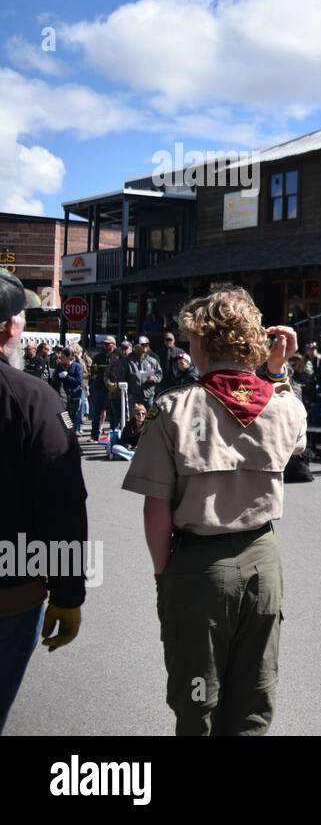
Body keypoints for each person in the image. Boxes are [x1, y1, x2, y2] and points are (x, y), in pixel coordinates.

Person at [122, 288, 306, 735]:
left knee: (197, 700)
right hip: (263, 560)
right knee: (254, 697)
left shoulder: (173, 408)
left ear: (203, 342)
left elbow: (156, 509)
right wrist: (277, 372)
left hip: (199, 564)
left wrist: (166, 575)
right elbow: (295, 442)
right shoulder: (284, 404)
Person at [0, 272, 87, 732]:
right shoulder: (34, 399)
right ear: (13, 328)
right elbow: (64, 503)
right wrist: (69, 593)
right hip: (10, 593)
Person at [86, 335, 117, 439]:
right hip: (100, 387)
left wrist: (104, 369)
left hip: (114, 388)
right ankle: (94, 435)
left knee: (113, 413)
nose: (105, 346)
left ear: (113, 344)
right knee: (97, 412)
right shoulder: (98, 357)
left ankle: (114, 435)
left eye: (108, 344)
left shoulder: (118, 356)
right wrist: (106, 368)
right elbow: (94, 370)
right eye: (104, 344)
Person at [122, 336, 163, 409]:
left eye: (147, 344)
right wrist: (128, 394)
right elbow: (121, 379)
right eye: (143, 344)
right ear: (135, 347)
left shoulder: (152, 361)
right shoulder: (126, 361)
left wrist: (154, 378)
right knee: (133, 419)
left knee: (151, 419)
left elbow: (159, 374)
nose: (145, 346)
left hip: (149, 397)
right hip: (133, 397)